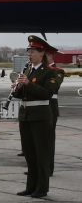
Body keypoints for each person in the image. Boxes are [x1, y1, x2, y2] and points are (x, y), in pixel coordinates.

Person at [14, 35, 60, 199]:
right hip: (26, 115)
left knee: (41, 153)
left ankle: (42, 187)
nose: (29, 54)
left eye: (33, 51)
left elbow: (47, 93)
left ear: (42, 53)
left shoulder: (51, 72)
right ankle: (31, 186)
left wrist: (28, 84)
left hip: (40, 116)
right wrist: (17, 88)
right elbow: (24, 95)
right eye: (29, 51)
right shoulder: (27, 70)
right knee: (29, 153)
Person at [44, 46, 64, 176]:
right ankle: (38, 169)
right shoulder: (38, 69)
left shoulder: (57, 71)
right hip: (39, 107)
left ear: (50, 56)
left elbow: (50, 88)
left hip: (50, 105)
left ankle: (48, 168)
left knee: (48, 140)